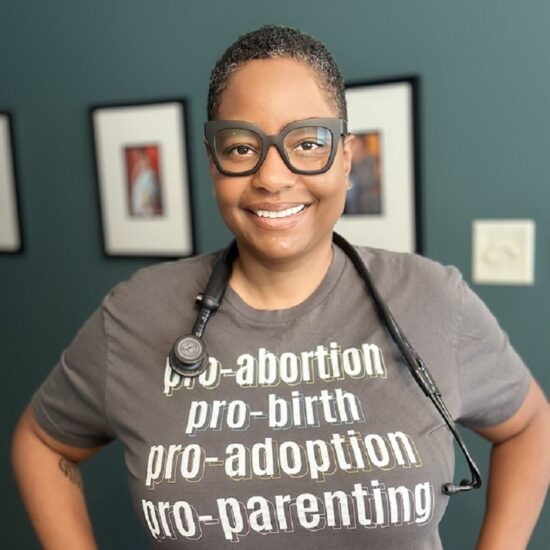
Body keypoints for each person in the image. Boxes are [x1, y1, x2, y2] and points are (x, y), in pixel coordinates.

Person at [11, 25, 550, 550]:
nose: (272, 176)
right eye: (242, 147)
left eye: (307, 142)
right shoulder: (135, 315)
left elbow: (530, 424)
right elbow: (41, 441)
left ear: (344, 157)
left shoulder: (433, 300)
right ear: (212, 160)